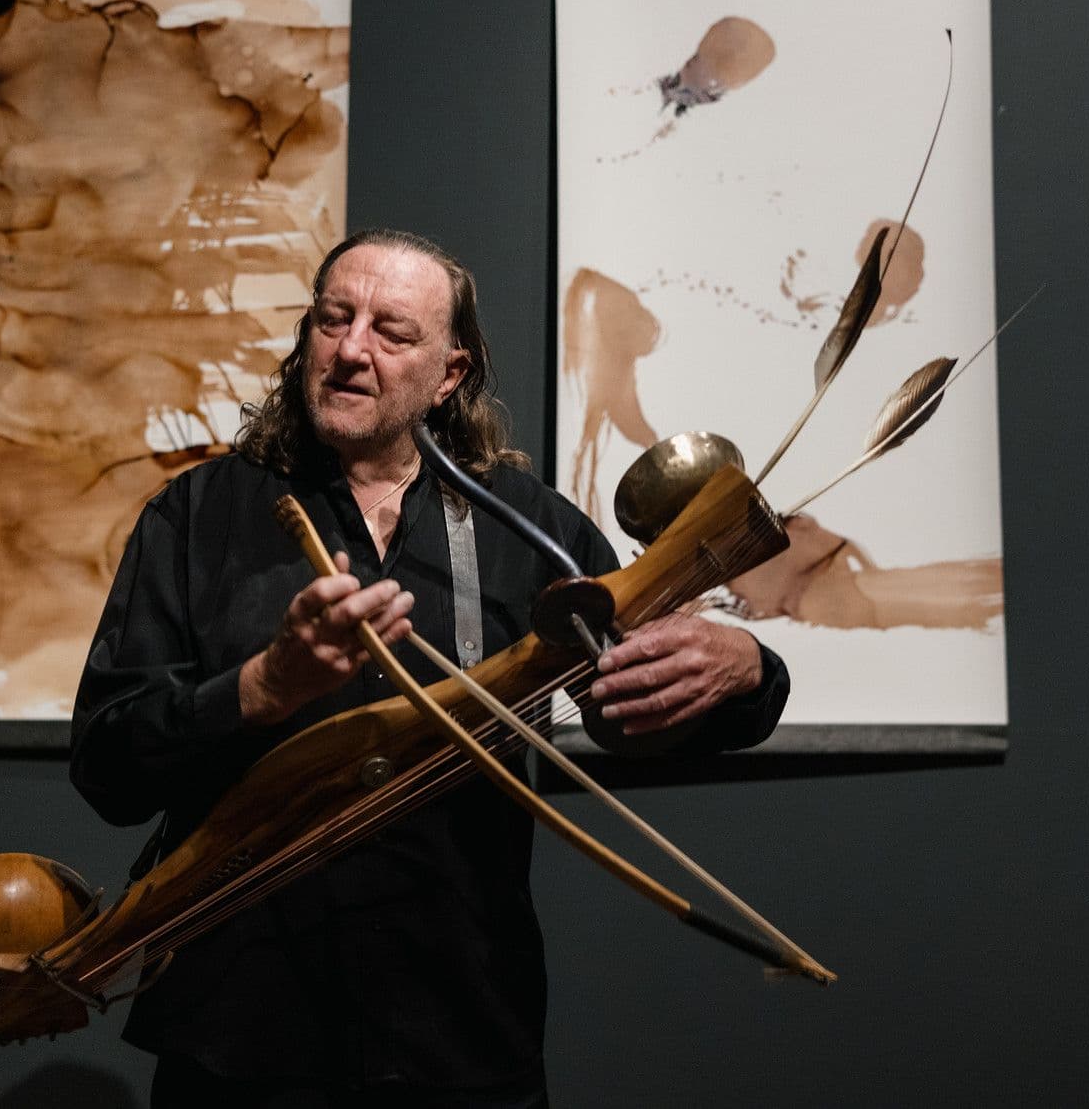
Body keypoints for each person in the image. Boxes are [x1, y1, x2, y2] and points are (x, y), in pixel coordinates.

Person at [70, 229, 790, 1108]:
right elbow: (107, 765)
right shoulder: (198, 516)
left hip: (461, 1031)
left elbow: (633, 698)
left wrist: (746, 668)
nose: (351, 350)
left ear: (450, 373)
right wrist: (260, 691)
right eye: (334, 319)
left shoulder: (532, 527)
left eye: (391, 331)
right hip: (239, 1037)